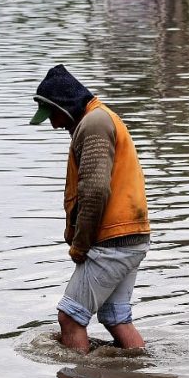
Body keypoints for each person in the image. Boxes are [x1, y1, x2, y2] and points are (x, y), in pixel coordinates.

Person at [30, 65, 150, 354]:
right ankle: (138, 370)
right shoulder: (100, 118)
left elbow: (94, 191)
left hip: (113, 239)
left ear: (65, 106)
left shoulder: (94, 123)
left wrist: (80, 245)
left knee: (70, 317)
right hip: (131, 236)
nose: (54, 125)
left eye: (53, 115)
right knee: (115, 318)